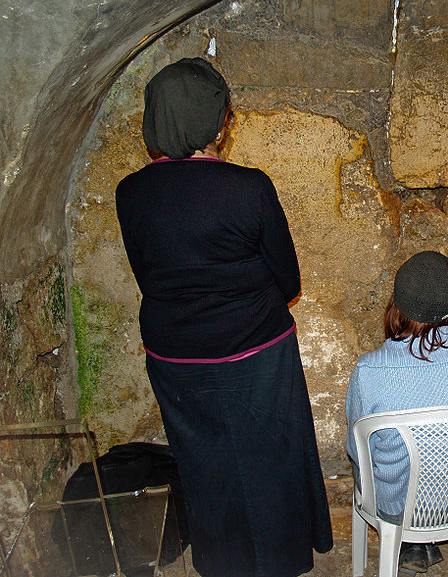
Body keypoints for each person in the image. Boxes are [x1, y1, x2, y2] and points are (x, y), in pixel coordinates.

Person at [115, 57, 332, 577]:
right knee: (269, 456)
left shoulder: (131, 193)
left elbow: (148, 275)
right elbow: (289, 281)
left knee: (204, 459)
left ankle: (219, 560)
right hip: (255, 351)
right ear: (216, 123)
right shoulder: (247, 187)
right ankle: (280, 557)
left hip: (175, 355)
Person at [346, 251, 448, 574]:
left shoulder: (369, 370)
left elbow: (356, 449)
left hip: (395, 507)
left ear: (396, 305)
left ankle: (410, 543)